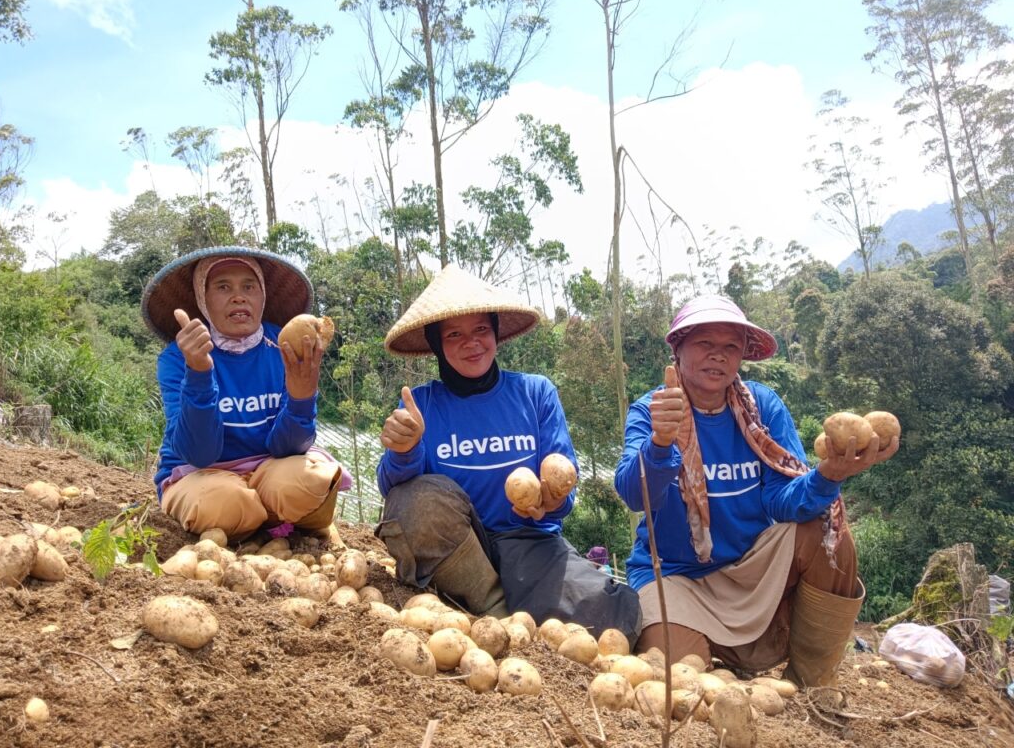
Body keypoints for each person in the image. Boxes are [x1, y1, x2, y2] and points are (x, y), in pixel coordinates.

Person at [613, 294, 898, 686]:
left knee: (827, 534)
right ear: (677, 350)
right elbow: (632, 493)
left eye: (730, 347)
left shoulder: (762, 408)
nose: (718, 356)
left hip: (751, 567)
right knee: (683, 682)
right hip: (676, 578)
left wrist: (828, 474)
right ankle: (714, 655)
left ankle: (814, 683)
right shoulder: (654, 409)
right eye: (705, 344)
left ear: (742, 357)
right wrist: (660, 444)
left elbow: (781, 500)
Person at [376, 265, 642, 644]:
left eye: (481, 330)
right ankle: (496, 610)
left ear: (496, 334)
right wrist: (403, 450)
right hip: (460, 551)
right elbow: (397, 494)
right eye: (454, 334)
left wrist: (549, 503)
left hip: (531, 544)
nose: (472, 343)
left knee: (610, 617)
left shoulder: (535, 393)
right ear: (436, 344)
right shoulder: (420, 404)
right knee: (417, 498)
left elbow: (564, 480)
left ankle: (495, 610)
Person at [142, 246, 349, 541]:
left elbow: (289, 447)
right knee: (224, 502)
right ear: (203, 300)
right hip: (201, 473)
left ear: (262, 296)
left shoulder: (283, 346)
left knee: (314, 479)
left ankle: (255, 521)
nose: (238, 296)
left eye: (249, 286)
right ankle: (269, 520)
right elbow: (200, 454)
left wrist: (302, 397)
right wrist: (199, 372)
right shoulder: (177, 359)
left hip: (270, 467)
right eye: (223, 286)